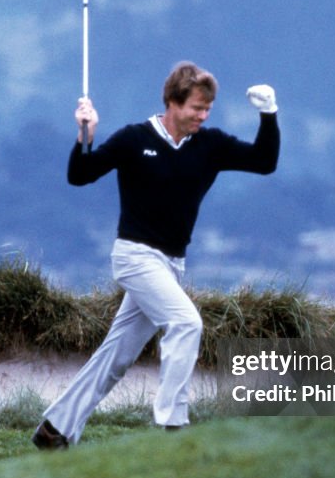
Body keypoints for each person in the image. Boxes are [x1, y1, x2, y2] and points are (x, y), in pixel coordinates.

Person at [32, 61, 281, 449]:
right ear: (172, 101)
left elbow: (264, 162)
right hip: (135, 257)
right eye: (196, 108)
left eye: (207, 109)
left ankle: (55, 429)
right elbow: (80, 175)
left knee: (117, 356)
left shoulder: (209, 145)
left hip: (171, 265)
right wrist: (86, 135)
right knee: (186, 323)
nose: (202, 115)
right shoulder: (134, 139)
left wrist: (268, 114)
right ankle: (172, 425)